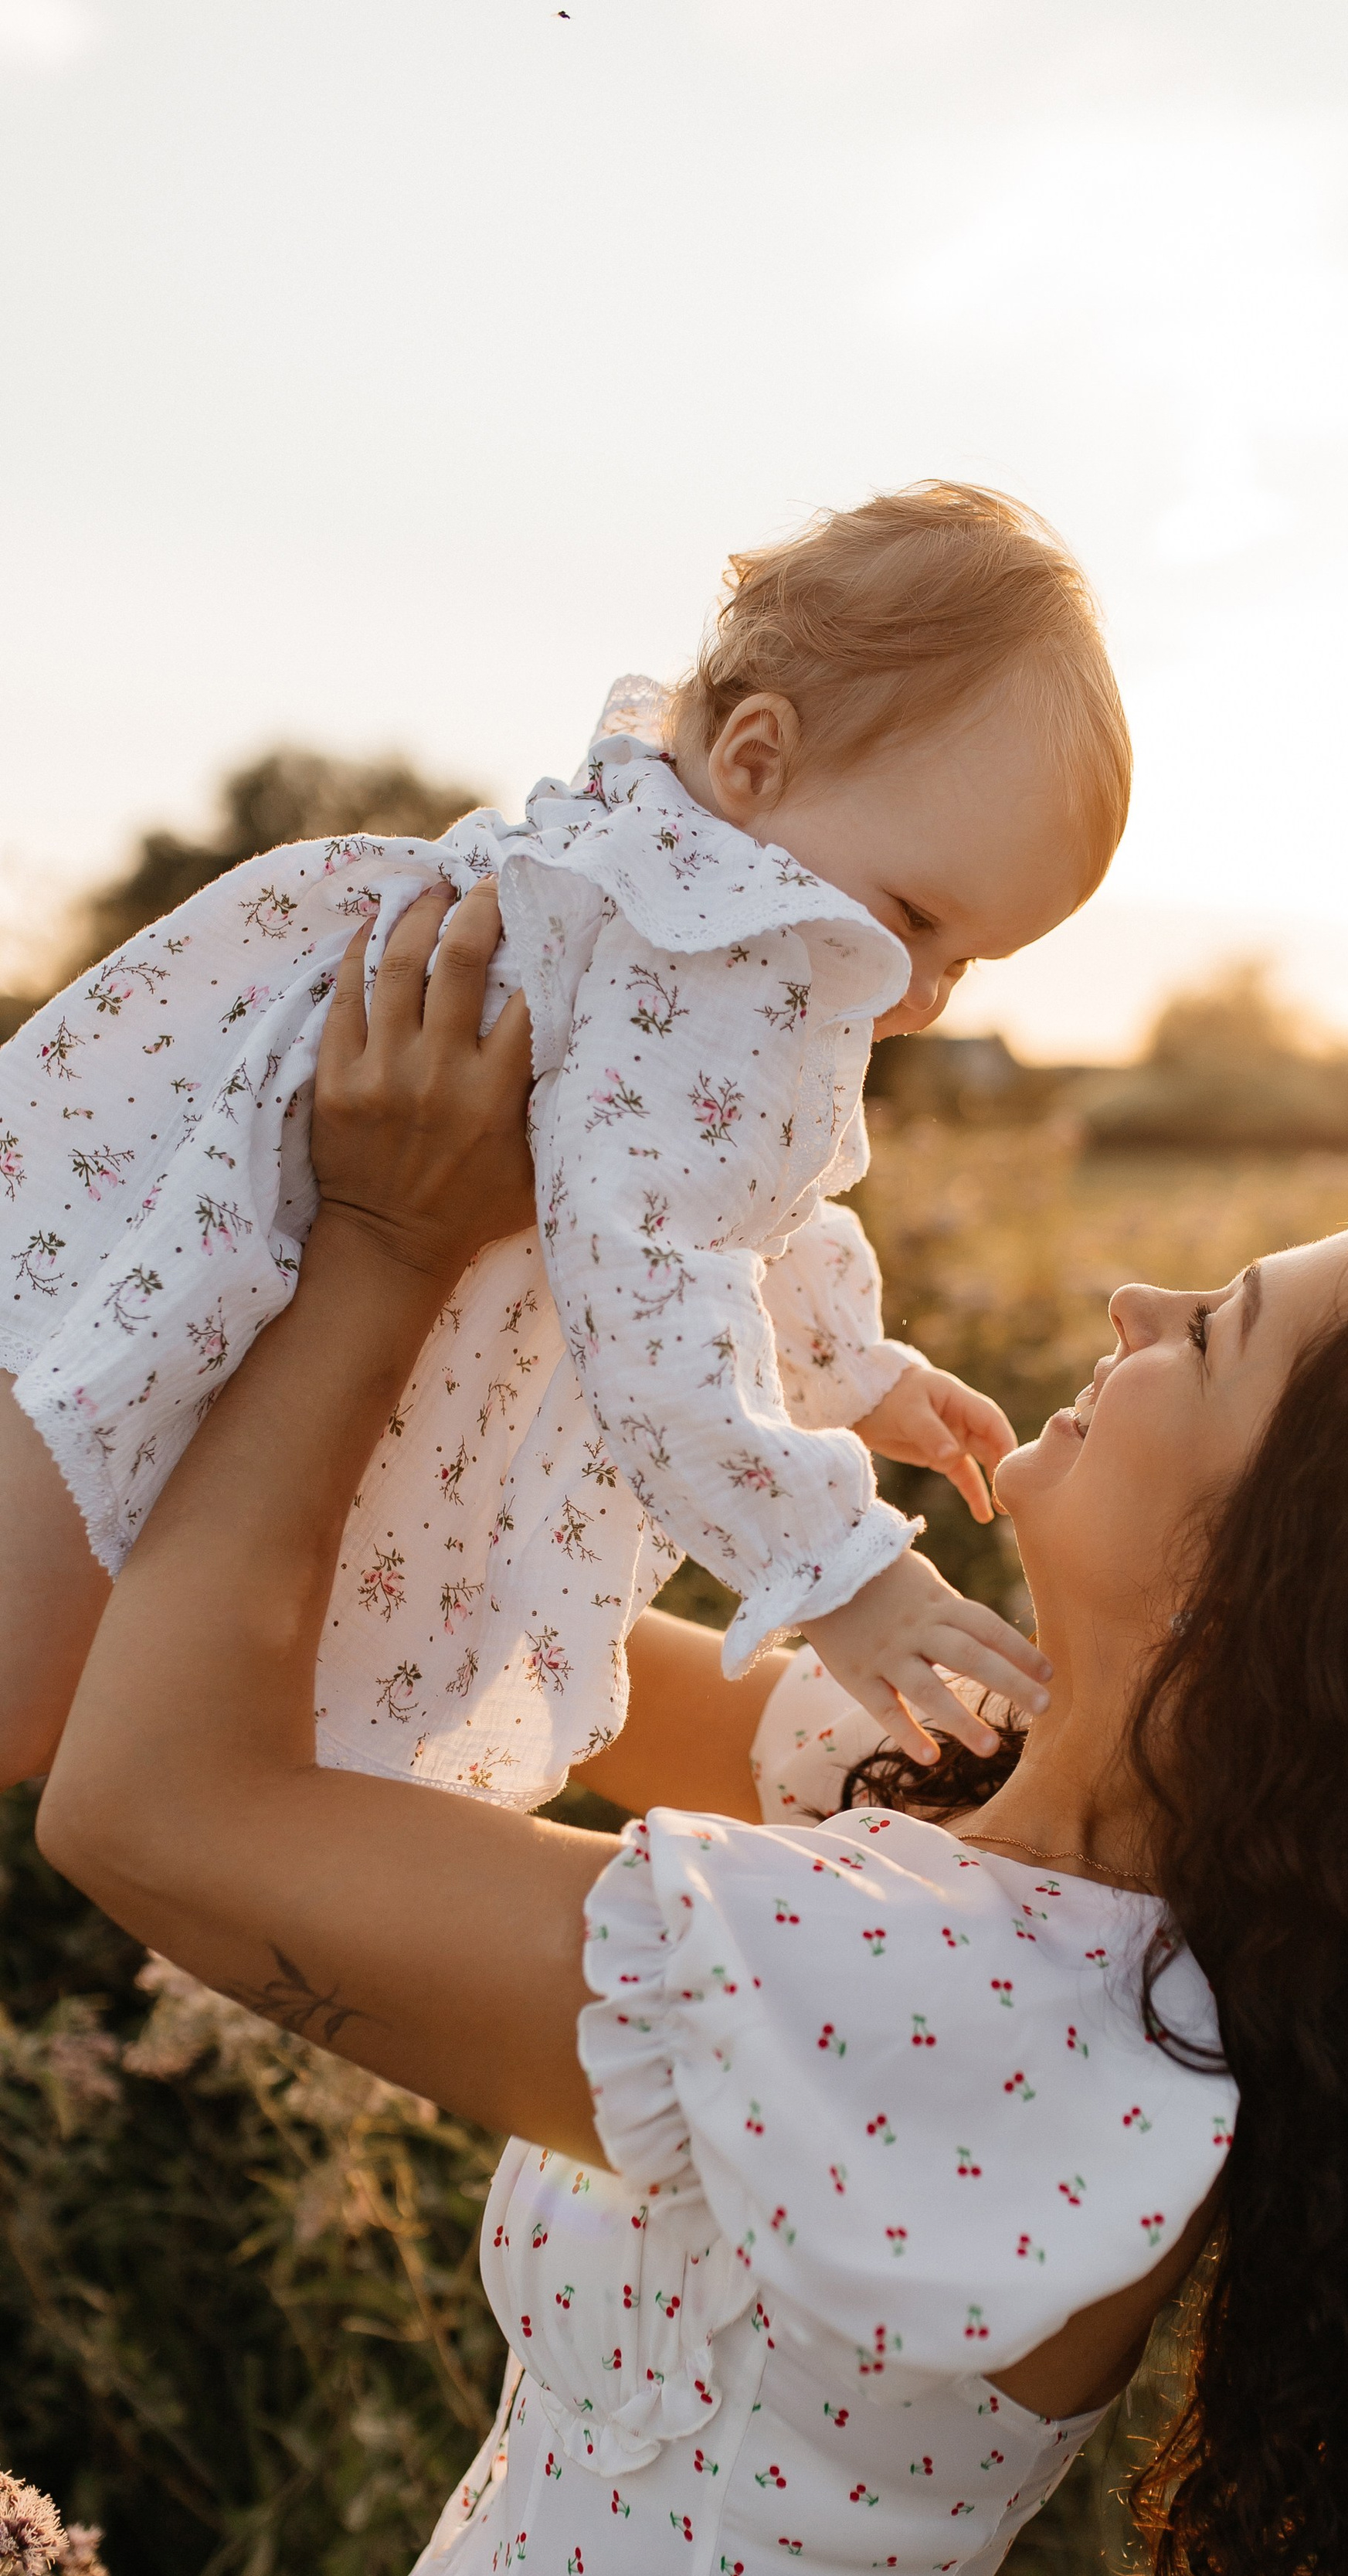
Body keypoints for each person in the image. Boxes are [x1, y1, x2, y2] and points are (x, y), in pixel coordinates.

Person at [37, 899, 1348, 2576]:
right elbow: (463, 1652)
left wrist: (391, 1250)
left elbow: (153, 1812)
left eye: (1208, 1329)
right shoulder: (1018, 1814)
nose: (1128, 1299)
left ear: (1281, 1598)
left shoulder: (940, 2005)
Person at [0, 481, 1129, 1801]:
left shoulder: (665, 884)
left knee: (79, 1652)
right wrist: (834, 1568)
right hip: (243, 1234)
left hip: (183, 1223)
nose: (923, 994)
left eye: (967, 960)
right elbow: (655, 1258)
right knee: (39, 1688)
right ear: (757, 760)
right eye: (916, 917)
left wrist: (851, 1365)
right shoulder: (711, 948)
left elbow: (735, 1198)